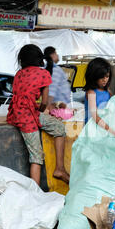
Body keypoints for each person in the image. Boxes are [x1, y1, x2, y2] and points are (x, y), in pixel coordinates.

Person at [7, 44, 70, 186]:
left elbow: (19, 97)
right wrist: (42, 111)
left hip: (18, 114)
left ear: (22, 60)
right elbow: (44, 102)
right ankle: (53, 174)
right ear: (39, 59)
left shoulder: (19, 74)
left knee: (56, 128)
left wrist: (37, 112)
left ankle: (59, 170)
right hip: (28, 116)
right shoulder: (44, 74)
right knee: (38, 153)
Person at [84, 57, 115, 140]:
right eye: (101, 77)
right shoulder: (91, 93)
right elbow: (95, 117)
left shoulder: (107, 91)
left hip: (105, 131)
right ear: (93, 76)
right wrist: (113, 132)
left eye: (107, 76)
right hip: (94, 133)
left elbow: (113, 106)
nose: (105, 80)